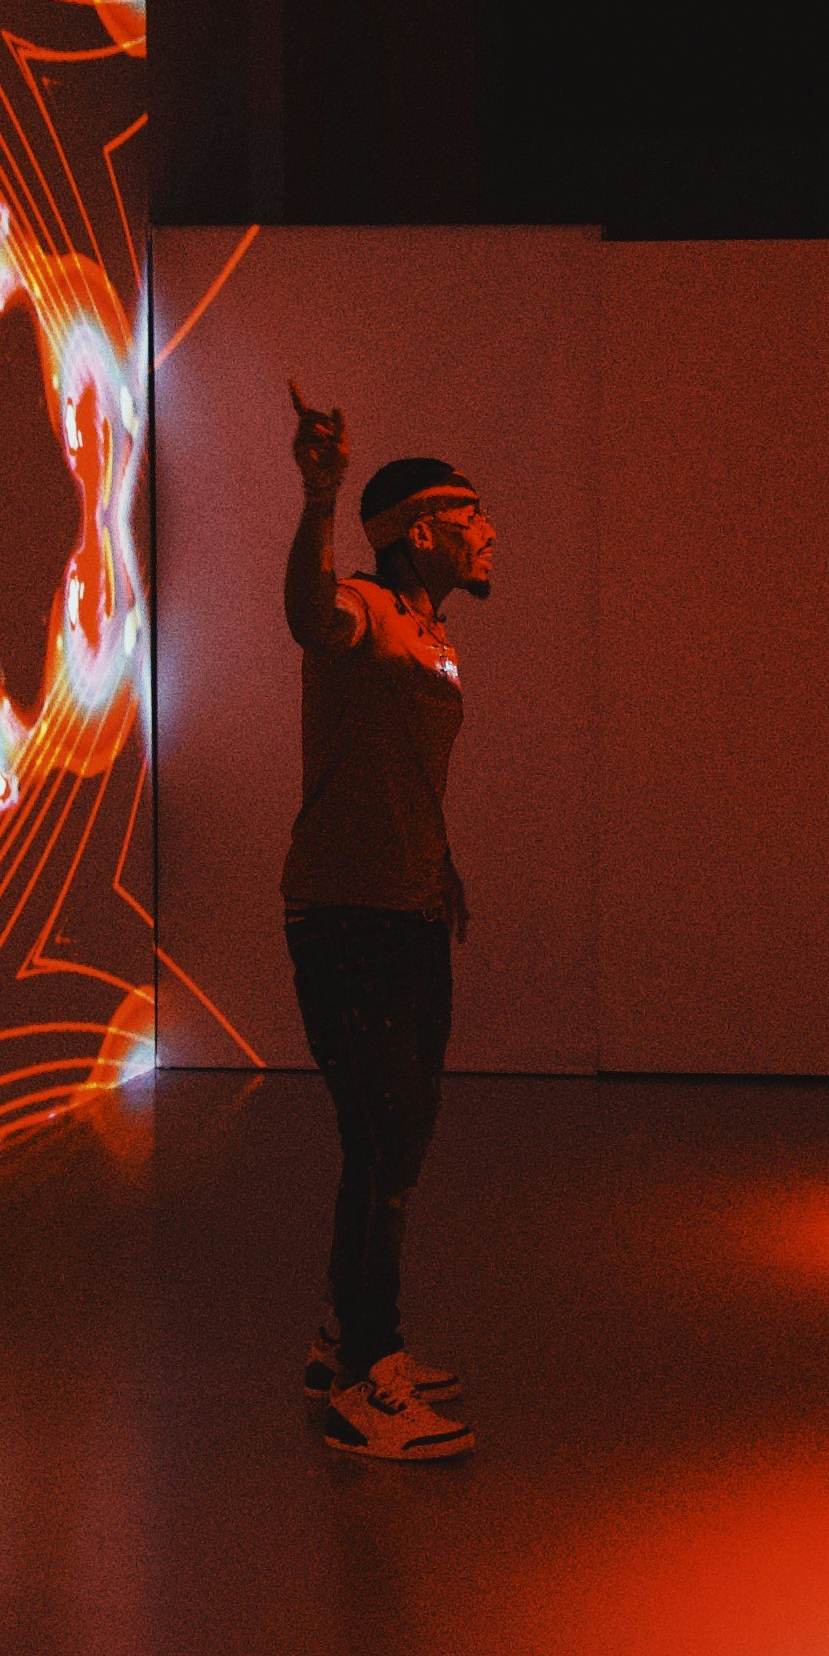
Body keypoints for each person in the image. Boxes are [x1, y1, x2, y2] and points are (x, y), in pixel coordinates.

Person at [281, 381, 493, 1462]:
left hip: (409, 911)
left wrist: (440, 860)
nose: (490, 531)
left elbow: (401, 768)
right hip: (346, 915)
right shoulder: (366, 608)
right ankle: (369, 1379)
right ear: (420, 531)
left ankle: (346, 1339)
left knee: (394, 1139)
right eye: (471, 516)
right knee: (381, 1140)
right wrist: (319, 497)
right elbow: (308, 618)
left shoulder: (435, 632)